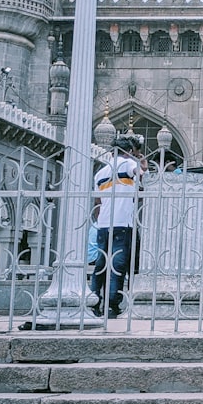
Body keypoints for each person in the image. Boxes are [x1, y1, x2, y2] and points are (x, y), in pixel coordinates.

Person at [90, 135, 147, 318]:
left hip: (104, 224)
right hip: (123, 223)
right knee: (117, 265)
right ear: (129, 152)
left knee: (101, 263)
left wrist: (100, 221)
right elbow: (142, 173)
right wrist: (141, 161)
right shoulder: (128, 164)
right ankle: (112, 303)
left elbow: (97, 202)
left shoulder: (101, 172)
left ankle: (94, 300)